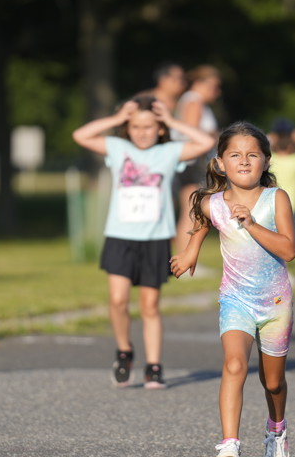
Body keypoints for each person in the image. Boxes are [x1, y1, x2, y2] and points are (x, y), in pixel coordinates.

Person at [170, 122, 295, 457]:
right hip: (235, 299)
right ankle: (229, 444)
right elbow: (202, 216)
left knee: (273, 382)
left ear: (266, 161)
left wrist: (252, 224)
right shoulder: (213, 203)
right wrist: (191, 250)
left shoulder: (276, 199)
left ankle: (276, 430)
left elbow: (289, 250)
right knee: (234, 365)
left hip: (275, 304)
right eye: (235, 155)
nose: (243, 161)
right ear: (220, 163)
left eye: (252, 155)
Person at [73, 96, 216, 388]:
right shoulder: (118, 148)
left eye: (148, 126)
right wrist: (117, 119)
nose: (141, 132)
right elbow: (80, 135)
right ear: (128, 127)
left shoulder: (168, 152)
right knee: (118, 300)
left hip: (155, 238)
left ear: (159, 129)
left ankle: (153, 365)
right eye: (135, 126)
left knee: (150, 305)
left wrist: (172, 121)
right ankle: (124, 350)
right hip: (120, 237)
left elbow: (204, 142)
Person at [173, 65, 221, 252]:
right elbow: (191, 132)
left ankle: (185, 257)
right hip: (192, 162)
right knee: (191, 211)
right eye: (214, 86)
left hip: (190, 161)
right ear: (200, 83)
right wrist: (216, 136)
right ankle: (183, 258)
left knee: (192, 210)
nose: (217, 92)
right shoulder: (194, 101)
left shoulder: (191, 100)